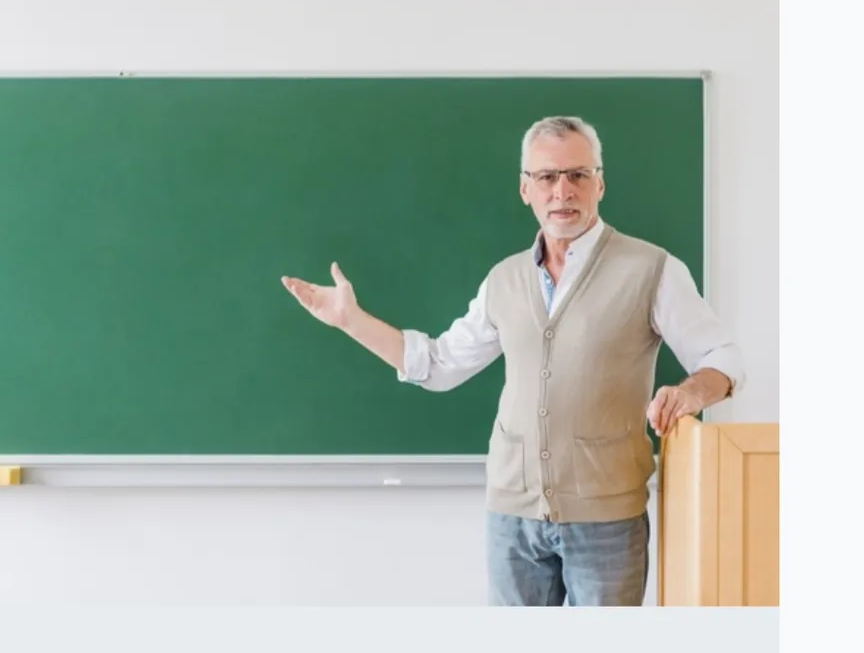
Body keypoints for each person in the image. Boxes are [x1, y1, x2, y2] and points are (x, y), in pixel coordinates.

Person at [280, 115, 744, 607]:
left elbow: (724, 358)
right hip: (513, 518)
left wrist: (690, 393)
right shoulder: (503, 280)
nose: (562, 190)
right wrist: (351, 320)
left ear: (600, 184)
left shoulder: (652, 269)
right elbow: (437, 365)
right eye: (546, 177)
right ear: (526, 189)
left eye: (578, 175)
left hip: (607, 519)